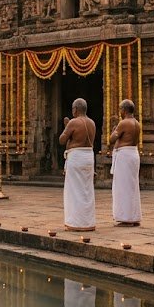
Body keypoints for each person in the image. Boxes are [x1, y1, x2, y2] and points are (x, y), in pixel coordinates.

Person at [60, 98, 97, 231]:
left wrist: (66, 126)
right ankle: (88, 222)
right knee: (86, 190)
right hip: (88, 156)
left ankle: (75, 223)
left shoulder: (73, 122)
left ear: (75, 109)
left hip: (76, 157)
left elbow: (62, 140)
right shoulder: (92, 123)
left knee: (74, 190)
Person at [109, 99, 142, 226]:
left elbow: (112, 139)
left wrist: (113, 131)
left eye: (120, 109)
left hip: (124, 155)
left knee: (123, 187)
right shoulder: (137, 123)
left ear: (124, 110)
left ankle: (126, 218)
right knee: (132, 186)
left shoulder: (124, 123)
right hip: (133, 153)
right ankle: (134, 216)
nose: (120, 112)